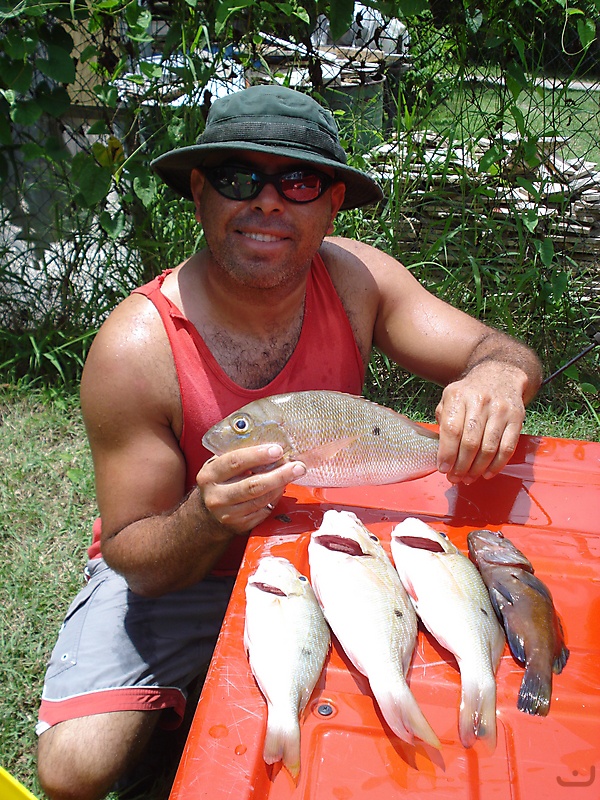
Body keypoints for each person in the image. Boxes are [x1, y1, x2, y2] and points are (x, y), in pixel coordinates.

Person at [36, 84, 542, 800]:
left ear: (332, 203)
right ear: (202, 194)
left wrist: (494, 379)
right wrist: (205, 518)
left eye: (298, 181)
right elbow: (134, 558)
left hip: (332, 545)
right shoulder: (136, 349)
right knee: (73, 770)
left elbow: (501, 350)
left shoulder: (360, 278)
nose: (269, 202)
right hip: (190, 570)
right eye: (241, 179)